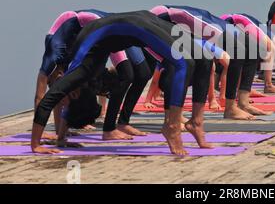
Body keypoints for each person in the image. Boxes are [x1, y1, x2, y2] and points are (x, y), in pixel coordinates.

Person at [32, 11, 197, 156]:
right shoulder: (83, 81)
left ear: (75, 94)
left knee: (184, 63)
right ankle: (175, 126)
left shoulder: (79, 74)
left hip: (132, 26)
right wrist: (61, 139)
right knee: (190, 61)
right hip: (133, 23)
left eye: (64, 104)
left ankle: (173, 127)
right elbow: (66, 104)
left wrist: (36, 145)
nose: (61, 106)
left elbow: (47, 101)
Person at [35, 10, 152, 140]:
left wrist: (41, 134)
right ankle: (110, 129)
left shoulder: (51, 58)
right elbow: (60, 97)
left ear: (57, 77)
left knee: (136, 74)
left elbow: (40, 97)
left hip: (100, 24)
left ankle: (115, 126)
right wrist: (59, 134)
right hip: (95, 32)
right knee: (128, 75)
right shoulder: (67, 68)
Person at [150, 5, 269, 120]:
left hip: (185, 16)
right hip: (165, 17)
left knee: (253, 48)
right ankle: (230, 108)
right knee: (238, 50)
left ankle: (243, 103)